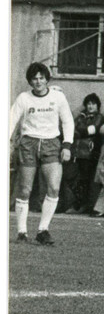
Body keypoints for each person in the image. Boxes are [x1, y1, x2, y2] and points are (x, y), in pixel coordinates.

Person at [9, 63, 74, 245]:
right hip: (29, 143)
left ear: (47, 79)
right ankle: (22, 231)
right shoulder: (24, 98)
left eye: (41, 78)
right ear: (30, 81)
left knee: (53, 187)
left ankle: (43, 230)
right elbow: (11, 120)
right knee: (25, 189)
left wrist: (67, 145)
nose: (38, 82)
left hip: (52, 144)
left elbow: (68, 121)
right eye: (34, 79)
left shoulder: (58, 97)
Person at [68, 93, 104, 214]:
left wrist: (79, 131)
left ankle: (86, 206)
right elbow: (71, 129)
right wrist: (80, 131)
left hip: (90, 155)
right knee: (75, 180)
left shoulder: (99, 117)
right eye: (88, 103)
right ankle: (78, 205)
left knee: (88, 181)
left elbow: (92, 130)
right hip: (77, 154)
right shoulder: (80, 117)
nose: (90, 106)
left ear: (97, 106)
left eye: (93, 104)